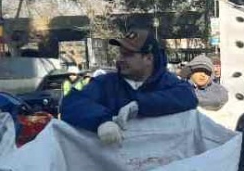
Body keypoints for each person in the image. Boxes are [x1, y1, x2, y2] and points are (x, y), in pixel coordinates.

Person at [61, 29, 198, 144]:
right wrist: (102, 121)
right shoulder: (105, 83)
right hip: (115, 168)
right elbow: (72, 103)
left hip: (161, 165)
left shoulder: (167, 82)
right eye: (120, 53)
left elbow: (188, 96)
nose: (120, 59)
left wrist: (140, 104)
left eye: (128, 55)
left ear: (148, 58)